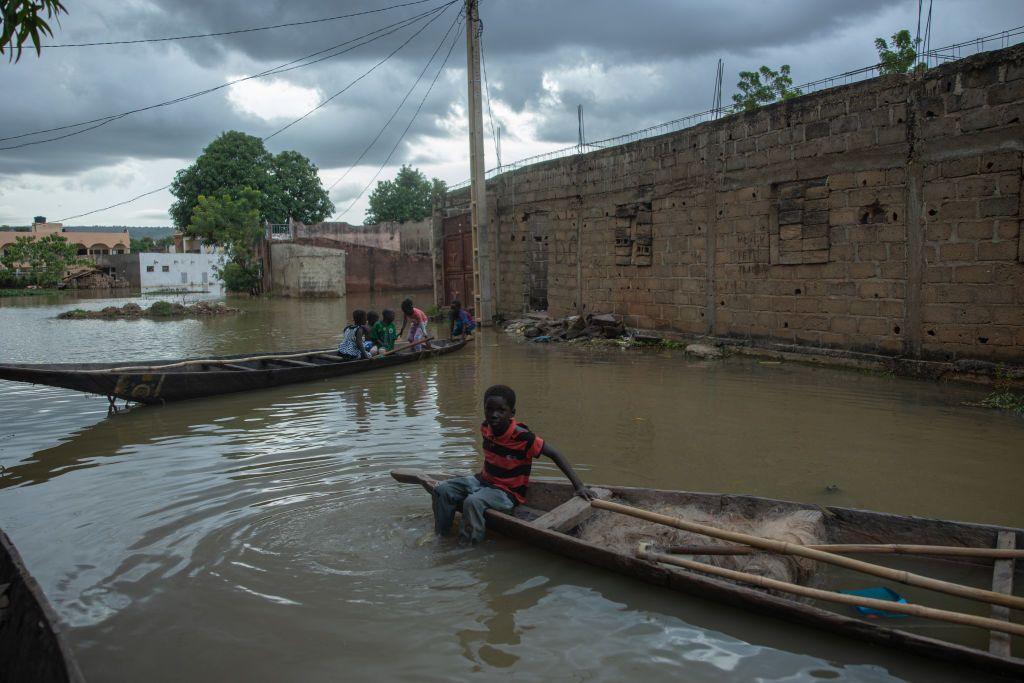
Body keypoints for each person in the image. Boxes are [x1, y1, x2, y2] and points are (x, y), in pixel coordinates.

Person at [431, 384, 591, 544]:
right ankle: (440, 535)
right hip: (482, 481)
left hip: (507, 493)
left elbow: (555, 454)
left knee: (472, 502)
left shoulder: (523, 437)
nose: (494, 415)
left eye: (501, 410)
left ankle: (467, 546)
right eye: (489, 409)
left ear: (511, 413)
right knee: (441, 489)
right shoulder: (485, 427)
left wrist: (579, 486)